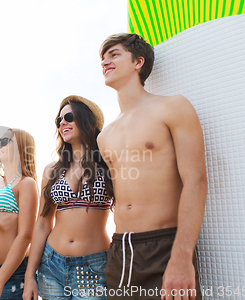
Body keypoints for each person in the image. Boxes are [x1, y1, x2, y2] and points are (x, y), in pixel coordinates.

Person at [97, 33, 207, 299]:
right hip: (120, 249)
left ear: (138, 62)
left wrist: (181, 257)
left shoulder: (172, 107)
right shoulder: (104, 135)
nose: (105, 62)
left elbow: (196, 181)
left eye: (114, 54)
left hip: (165, 246)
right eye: (103, 58)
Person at [23, 95, 114, 300]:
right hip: (51, 264)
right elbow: (42, 224)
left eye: (69, 116)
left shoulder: (108, 164)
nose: (62, 122)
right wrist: (30, 276)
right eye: (59, 120)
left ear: (87, 120)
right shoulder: (52, 170)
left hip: (94, 266)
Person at [0, 127, 39, 300]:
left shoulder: (26, 184)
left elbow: (26, 235)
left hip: (11, 275)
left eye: (4, 141)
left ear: (20, 148)